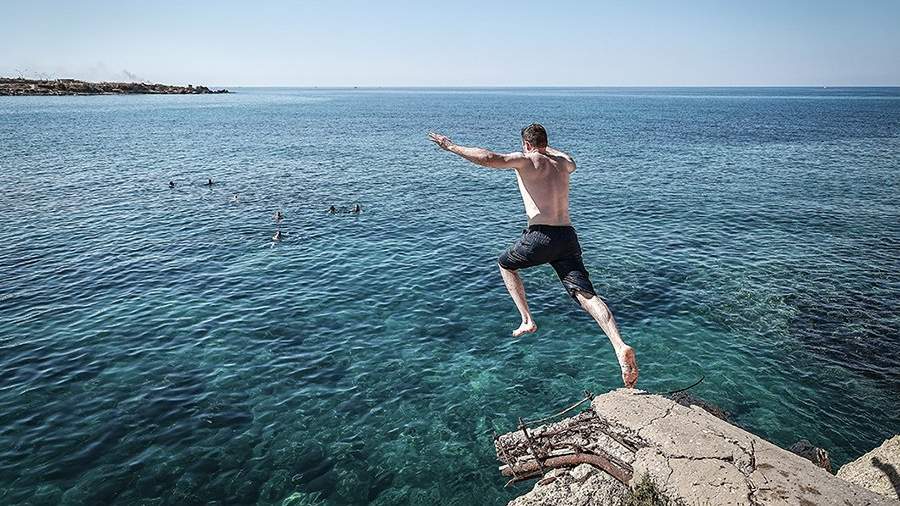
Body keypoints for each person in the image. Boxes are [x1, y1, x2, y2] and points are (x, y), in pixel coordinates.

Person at [428, 124, 638, 388]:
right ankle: (619, 344)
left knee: (505, 264)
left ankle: (527, 319)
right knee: (586, 295)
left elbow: (489, 157)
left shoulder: (526, 160)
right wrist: (546, 148)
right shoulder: (564, 164)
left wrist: (450, 147)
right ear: (546, 144)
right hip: (567, 236)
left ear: (526, 145)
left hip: (540, 235)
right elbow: (570, 160)